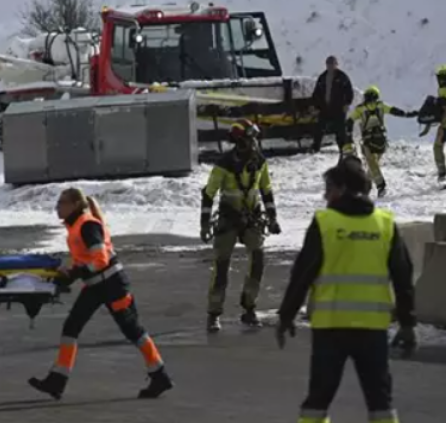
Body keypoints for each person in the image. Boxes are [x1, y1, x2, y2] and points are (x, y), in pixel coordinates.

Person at [276, 157, 417, 423]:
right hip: (373, 329)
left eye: (328, 188)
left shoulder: (326, 223)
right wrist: (408, 323)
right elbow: (403, 276)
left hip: (331, 328)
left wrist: (286, 316)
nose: (324, 195)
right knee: (380, 402)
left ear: (341, 188)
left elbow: (303, 273)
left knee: (317, 401)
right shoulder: (384, 224)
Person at [28, 188, 173, 400]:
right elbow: (83, 261)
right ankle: (57, 380)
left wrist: (77, 272)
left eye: (61, 203)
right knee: (71, 327)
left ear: (75, 205)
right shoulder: (76, 227)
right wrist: (66, 277)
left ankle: (160, 375)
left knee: (132, 329)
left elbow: (100, 259)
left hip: (112, 285)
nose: (57, 207)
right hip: (96, 286)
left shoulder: (87, 225)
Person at [200, 119, 281, 332]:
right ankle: (214, 313)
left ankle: (249, 308)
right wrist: (204, 224)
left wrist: (273, 218)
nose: (254, 144)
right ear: (239, 141)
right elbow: (208, 194)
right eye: (250, 139)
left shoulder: (260, 162)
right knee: (222, 265)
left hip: (252, 219)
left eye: (254, 139)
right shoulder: (223, 165)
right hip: (228, 220)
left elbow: (267, 191)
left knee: (258, 260)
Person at [345, 85, 418, 197]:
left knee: (371, 163)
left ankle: (381, 185)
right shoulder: (381, 106)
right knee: (373, 165)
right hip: (381, 142)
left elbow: (350, 121)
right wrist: (409, 114)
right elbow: (395, 111)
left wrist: (348, 137)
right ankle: (366, 186)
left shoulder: (360, 109)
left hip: (368, 141)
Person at [311, 56, 355, 154]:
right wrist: (315, 106)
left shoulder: (342, 77)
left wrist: (347, 103)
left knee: (340, 130)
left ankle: (343, 148)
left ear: (336, 65)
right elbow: (317, 93)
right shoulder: (322, 77)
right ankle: (315, 147)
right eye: (328, 64)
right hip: (324, 108)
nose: (330, 66)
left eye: (332, 64)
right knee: (319, 128)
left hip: (338, 108)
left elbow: (349, 91)